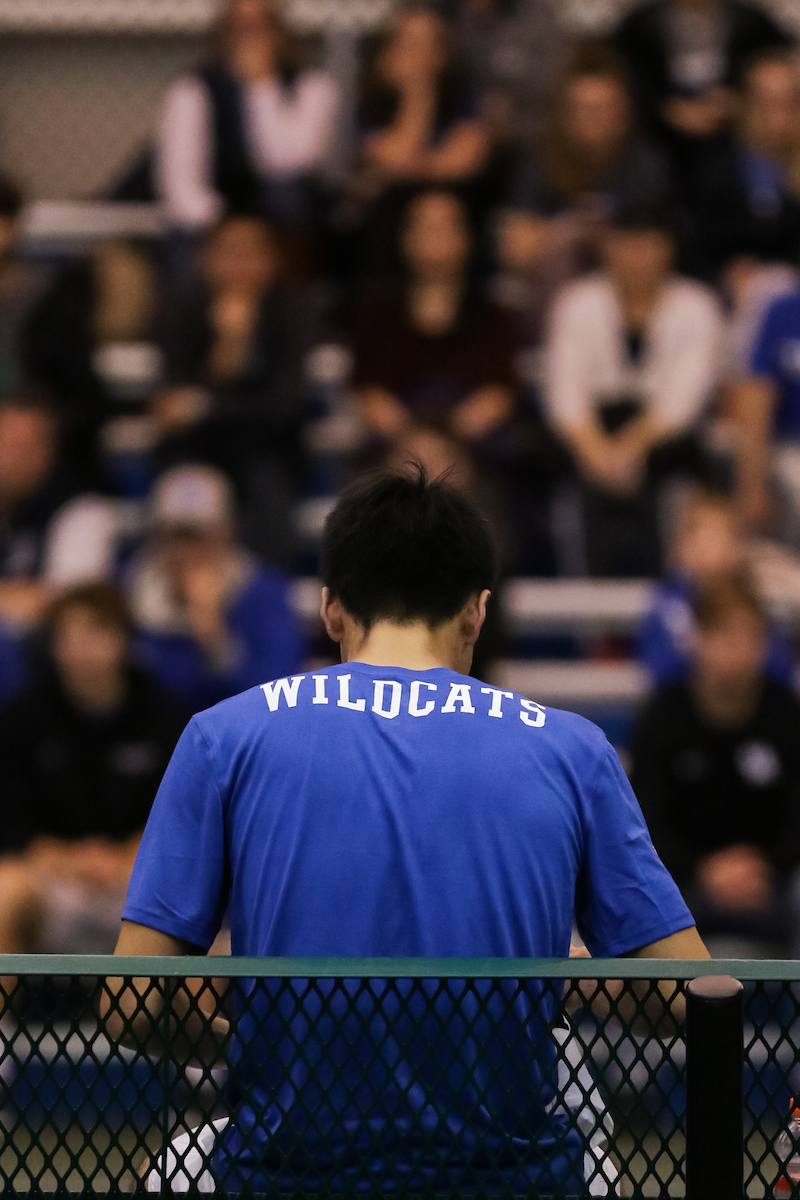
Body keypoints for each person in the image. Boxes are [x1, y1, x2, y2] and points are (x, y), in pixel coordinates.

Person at [108, 466, 706, 1194]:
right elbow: (695, 996)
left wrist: (245, 1040)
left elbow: (130, 997)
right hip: (515, 1183)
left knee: (156, 1171)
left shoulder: (222, 736)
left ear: (331, 610)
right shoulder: (573, 749)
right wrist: (568, 982)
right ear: (478, 612)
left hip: (283, 1178)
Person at [0, 583, 186, 955]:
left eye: (94, 632)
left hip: (135, 880)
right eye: (66, 636)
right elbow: (8, 818)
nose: (78, 648)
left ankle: (185, 1016)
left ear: (124, 642)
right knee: (5, 892)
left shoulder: (166, 718)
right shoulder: (21, 718)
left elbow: (184, 820)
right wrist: (63, 858)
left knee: (204, 926)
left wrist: (122, 859)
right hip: (49, 877)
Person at [543, 203, 724, 575]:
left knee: (685, 471)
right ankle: (586, 615)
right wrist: (596, 453)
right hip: (590, 439)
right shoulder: (578, 302)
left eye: (649, 245)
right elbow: (565, 391)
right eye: (627, 244)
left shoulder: (697, 306)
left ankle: (670, 591)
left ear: (668, 249)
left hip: (665, 445)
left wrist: (630, 449)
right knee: (551, 470)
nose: (637, 257)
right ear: (608, 247)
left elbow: (684, 400)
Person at [631, 573, 800, 957]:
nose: (739, 649)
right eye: (726, 634)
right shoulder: (663, 717)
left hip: (772, 885)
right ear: (699, 639)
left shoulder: (786, 715)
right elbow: (644, 821)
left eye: (751, 635)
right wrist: (702, 870)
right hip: (684, 888)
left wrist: (766, 865)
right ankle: (648, 1014)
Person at [153, 215, 311, 566]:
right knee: (184, 489)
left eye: (251, 253)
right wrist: (223, 355)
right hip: (195, 450)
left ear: (272, 262)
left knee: (267, 490)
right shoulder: (182, 310)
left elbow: (284, 407)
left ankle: (264, 606)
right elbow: (168, 405)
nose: (239, 264)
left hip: (267, 451)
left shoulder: (292, 312)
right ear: (207, 260)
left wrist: (207, 404)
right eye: (228, 252)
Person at [496, 41, 671, 347]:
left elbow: (658, 249)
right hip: (554, 295)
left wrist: (605, 240)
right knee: (558, 263)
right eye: (586, 109)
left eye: (606, 108)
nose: (596, 120)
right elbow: (513, 251)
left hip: (626, 291)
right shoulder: (540, 161)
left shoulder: (645, 165)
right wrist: (571, 230)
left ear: (624, 111)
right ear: (565, 113)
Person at [350, 189, 518, 495]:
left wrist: (448, 440)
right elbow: (368, 392)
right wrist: (413, 439)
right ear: (405, 239)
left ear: (467, 238)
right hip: (398, 441)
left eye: (446, 226)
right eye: (426, 226)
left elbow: (499, 394)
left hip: (470, 445)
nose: (436, 236)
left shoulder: (494, 315)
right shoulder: (376, 312)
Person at [129, 463, 306, 713]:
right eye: (175, 537)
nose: (185, 552)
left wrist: (216, 641)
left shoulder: (264, 593)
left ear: (226, 534)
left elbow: (278, 694)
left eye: (198, 537)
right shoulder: (131, 587)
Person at [156, 0, 339, 239]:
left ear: (280, 31)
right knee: (182, 233)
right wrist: (227, 226)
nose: (251, 40)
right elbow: (180, 187)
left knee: (287, 196)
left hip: (282, 225)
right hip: (214, 224)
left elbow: (291, 163)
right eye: (241, 28)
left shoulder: (312, 87)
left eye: (260, 27)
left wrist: (261, 86)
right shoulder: (193, 90)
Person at [638, 488, 795, 683]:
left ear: (739, 548)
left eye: (721, 533)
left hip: (748, 705)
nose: (710, 546)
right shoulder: (668, 603)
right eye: (700, 533)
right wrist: (715, 657)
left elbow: (780, 664)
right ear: (682, 545)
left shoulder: (753, 602)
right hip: (683, 706)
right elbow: (660, 664)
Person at [0, 396, 119, 631]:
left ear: (50, 451)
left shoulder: (83, 510)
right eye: (10, 443)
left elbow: (71, 610)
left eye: (30, 445)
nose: (19, 457)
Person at [679, 49, 800, 280]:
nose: (775, 115)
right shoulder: (712, 168)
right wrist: (726, 274)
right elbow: (695, 250)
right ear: (744, 103)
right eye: (765, 102)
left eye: (788, 102)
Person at [614, 0, 792, 146]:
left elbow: (775, 65)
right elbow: (625, 81)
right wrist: (666, 109)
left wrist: (737, 99)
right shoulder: (639, 27)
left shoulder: (751, 23)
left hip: (736, 136)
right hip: (658, 138)